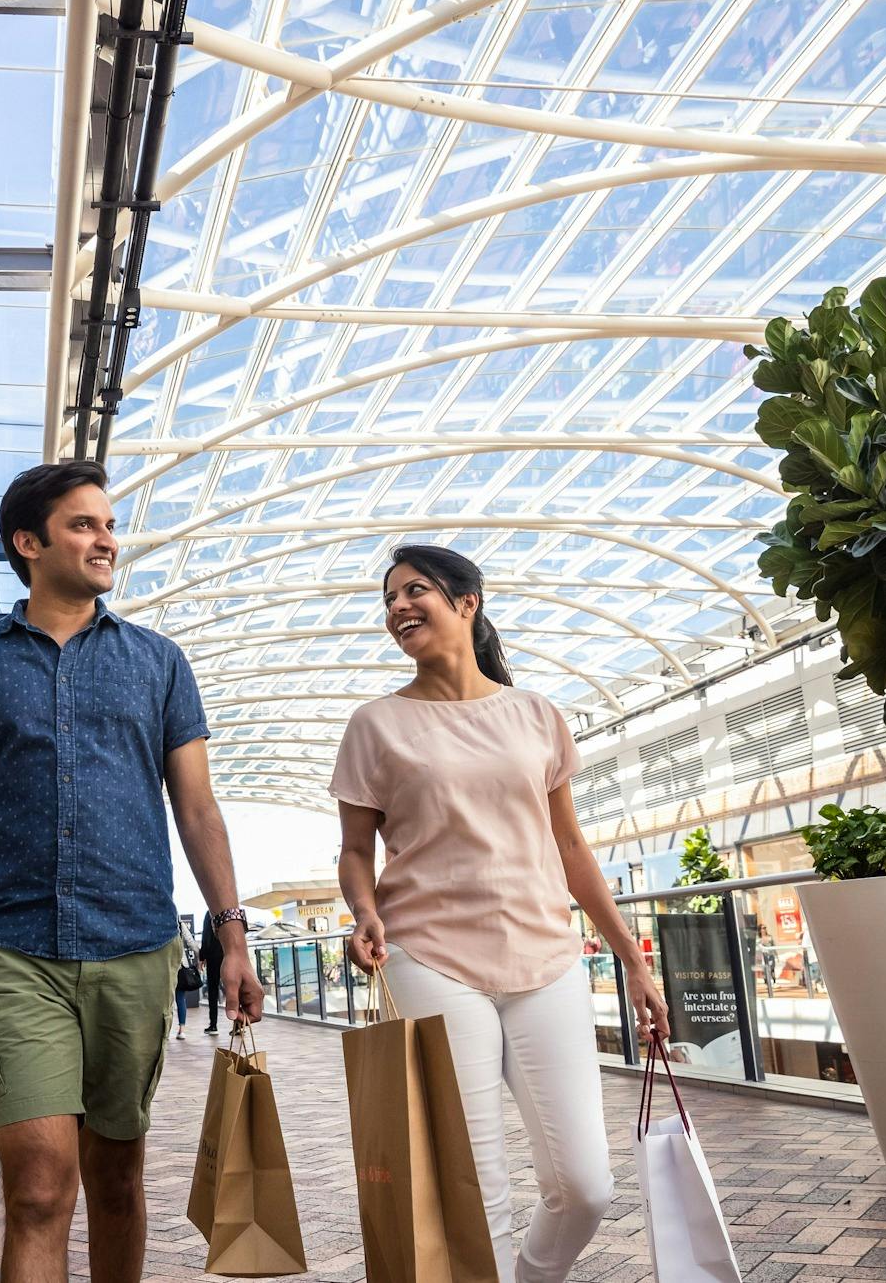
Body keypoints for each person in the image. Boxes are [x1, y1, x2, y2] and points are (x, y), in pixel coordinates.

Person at [0, 459, 264, 1283]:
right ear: (28, 542)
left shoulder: (159, 663)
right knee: (39, 1189)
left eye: (109, 525)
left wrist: (231, 936)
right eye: (84, 525)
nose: (107, 540)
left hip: (134, 946)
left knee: (118, 1184)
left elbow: (197, 810)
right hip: (15, 952)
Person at [334, 544, 670, 1283]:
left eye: (414, 589)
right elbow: (355, 851)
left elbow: (571, 847)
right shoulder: (376, 725)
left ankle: (533, 1276)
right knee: (474, 1192)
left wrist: (634, 962)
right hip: (429, 960)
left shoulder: (535, 715)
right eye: (388, 598)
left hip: (547, 962)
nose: (397, 607)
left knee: (586, 1187)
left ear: (467, 603)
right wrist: (363, 909)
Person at [172, 919, 201, 1041]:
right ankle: (182, 1030)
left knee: (164, 1000)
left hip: (163, 966)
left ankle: (165, 1030)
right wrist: (200, 957)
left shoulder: (157, 918)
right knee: (180, 998)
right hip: (179, 965)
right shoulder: (178, 922)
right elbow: (190, 941)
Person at [199, 908, 224, 1035]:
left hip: (213, 957)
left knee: (213, 991)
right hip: (227, 955)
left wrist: (202, 956)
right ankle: (239, 1024)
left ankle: (213, 1025)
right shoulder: (229, 910)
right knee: (232, 989)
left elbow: (206, 936)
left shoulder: (209, 913)